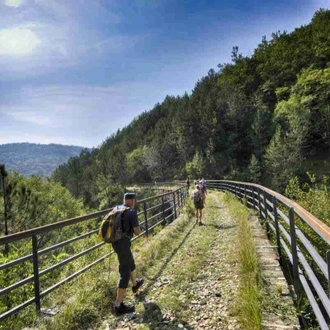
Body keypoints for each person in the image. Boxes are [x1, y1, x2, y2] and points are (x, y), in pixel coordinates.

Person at [112, 192, 144, 314]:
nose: (135, 202)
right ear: (131, 200)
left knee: (130, 262)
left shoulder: (117, 208)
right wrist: (140, 230)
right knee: (124, 271)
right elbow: (137, 232)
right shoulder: (131, 212)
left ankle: (135, 284)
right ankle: (118, 305)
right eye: (134, 200)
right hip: (123, 243)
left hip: (116, 242)